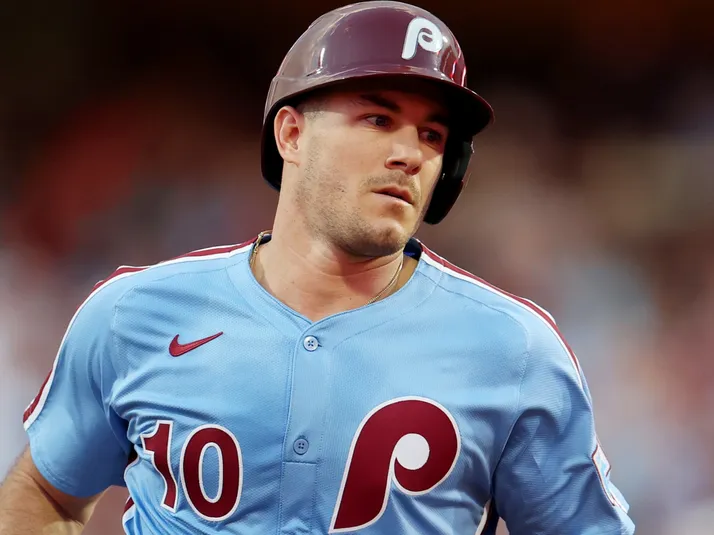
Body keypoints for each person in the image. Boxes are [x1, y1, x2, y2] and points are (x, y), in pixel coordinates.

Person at [0, 2, 635, 534]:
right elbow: (47, 492)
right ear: (292, 135)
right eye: (378, 118)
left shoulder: (514, 349)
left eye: (433, 135)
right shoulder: (133, 313)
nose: (410, 154)